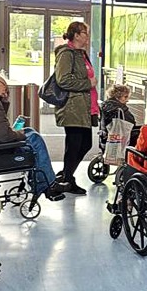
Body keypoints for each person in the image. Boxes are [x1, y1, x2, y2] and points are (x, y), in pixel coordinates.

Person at [0, 74, 67, 201]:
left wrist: (4, 100)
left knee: (30, 132)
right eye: (5, 88)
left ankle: (45, 183)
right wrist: (19, 134)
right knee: (34, 139)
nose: (6, 92)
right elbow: (4, 136)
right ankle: (48, 185)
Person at [54, 21, 98, 195]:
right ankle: (67, 180)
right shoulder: (67, 54)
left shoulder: (81, 54)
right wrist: (88, 83)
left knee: (85, 144)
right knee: (75, 145)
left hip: (84, 108)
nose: (87, 36)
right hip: (73, 108)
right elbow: (63, 79)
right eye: (85, 33)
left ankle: (66, 174)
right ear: (76, 35)